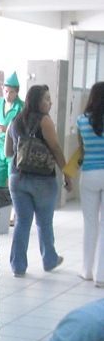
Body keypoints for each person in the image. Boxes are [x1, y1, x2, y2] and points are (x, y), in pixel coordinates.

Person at [5, 83, 72, 277]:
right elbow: (56, 149)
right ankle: (49, 259)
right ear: (36, 100)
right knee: (44, 222)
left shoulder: (16, 120)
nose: (50, 102)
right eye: (46, 99)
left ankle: (18, 266)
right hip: (42, 179)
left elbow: (9, 152)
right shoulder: (45, 121)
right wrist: (67, 173)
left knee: (22, 221)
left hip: (17, 178)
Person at [76, 81, 104, 287]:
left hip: (89, 174)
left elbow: (81, 150)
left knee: (90, 223)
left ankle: (86, 270)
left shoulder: (81, 121)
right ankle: (101, 275)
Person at [0, 72, 23, 232]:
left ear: (17, 92)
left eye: (11, 92)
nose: (8, 94)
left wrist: (7, 130)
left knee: (13, 185)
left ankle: (15, 215)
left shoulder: (21, 107)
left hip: (13, 150)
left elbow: (22, 130)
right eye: (6, 90)